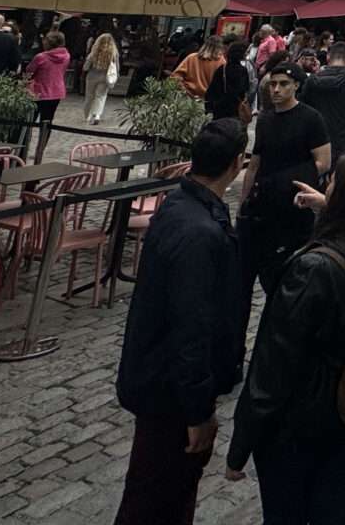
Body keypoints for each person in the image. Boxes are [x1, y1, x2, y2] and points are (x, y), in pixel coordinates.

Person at [225, 151, 345, 524]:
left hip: (301, 418)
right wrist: (327, 206)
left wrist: (241, 444)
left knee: (287, 510)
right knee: (333, 502)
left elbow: (274, 364)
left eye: (333, 183)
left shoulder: (312, 270)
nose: (326, 185)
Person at [113, 119, 248, 525]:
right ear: (237, 163)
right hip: (169, 392)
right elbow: (193, 326)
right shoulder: (200, 231)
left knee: (159, 493)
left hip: (155, 378)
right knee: (158, 499)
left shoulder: (179, 204)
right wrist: (197, 409)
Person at [237, 62, 332, 303]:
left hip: (293, 207)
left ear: (296, 86)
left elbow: (323, 161)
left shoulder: (311, 119)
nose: (276, 89)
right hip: (261, 207)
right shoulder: (266, 120)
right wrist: (243, 202)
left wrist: (289, 181)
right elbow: (255, 164)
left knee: (282, 279)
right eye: (273, 84)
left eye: (283, 84)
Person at [25, 29, 71, 153]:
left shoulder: (41, 57)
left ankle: (24, 147)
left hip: (38, 92)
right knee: (47, 121)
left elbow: (29, 71)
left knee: (30, 121)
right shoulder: (66, 55)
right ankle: (41, 148)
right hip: (56, 92)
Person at [203, 38, 252, 125]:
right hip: (235, 108)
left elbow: (212, 90)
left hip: (220, 107)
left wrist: (209, 107)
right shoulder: (242, 70)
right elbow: (245, 89)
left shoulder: (222, 69)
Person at [170, 37, 224, 102]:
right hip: (206, 100)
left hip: (186, 97)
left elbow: (175, 77)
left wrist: (183, 89)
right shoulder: (222, 62)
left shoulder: (191, 57)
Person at [85, 32, 121, 125]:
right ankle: (97, 115)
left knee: (89, 96)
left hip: (92, 76)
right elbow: (117, 66)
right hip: (105, 77)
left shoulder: (94, 52)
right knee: (100, 96)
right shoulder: (113, 53)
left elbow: (86, 66)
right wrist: (116, 74)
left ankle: (88, 115)